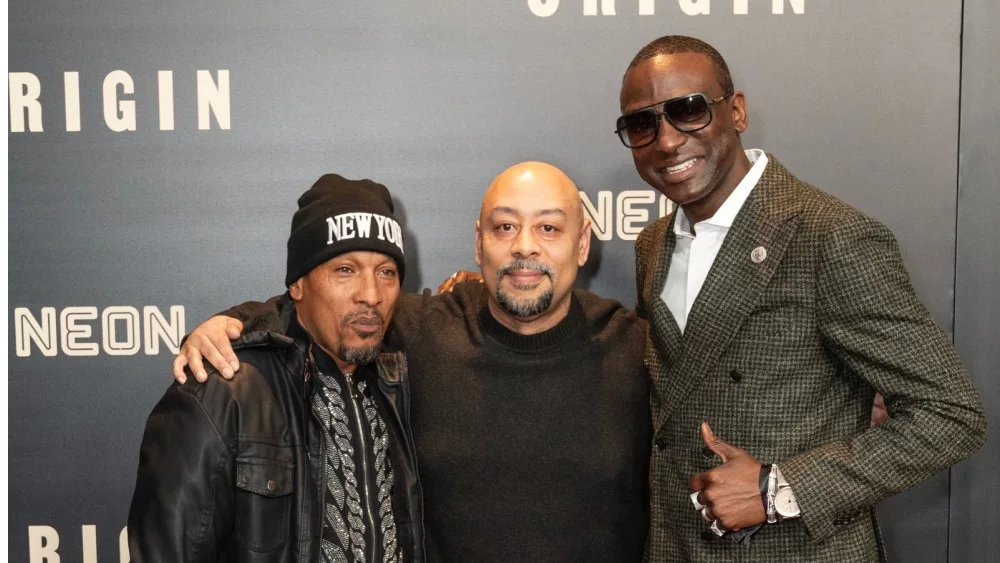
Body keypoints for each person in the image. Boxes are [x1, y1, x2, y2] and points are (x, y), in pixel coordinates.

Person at [619, 35, 987, 560]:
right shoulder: (652, 244)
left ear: (737, 111)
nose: (668, 141)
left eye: (688, 111)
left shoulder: (828, 235)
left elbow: (952, 414)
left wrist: (778, 489)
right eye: (642, 123)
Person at [172, 162, 652, 562]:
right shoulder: (421, 328)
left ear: (583, 243)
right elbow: (320, 305)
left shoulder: (637, 349)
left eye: (548, 227)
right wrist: (227, 323)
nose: (524, 245)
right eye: (505, 226)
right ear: (479, 241)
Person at [127, 174, 423, 563]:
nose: (370, 294)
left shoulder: (399, 379)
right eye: (345, 270)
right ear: (298, 284)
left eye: (386, 271)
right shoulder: (222, 392)